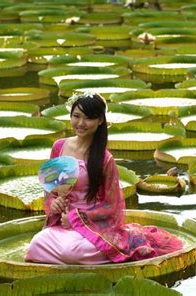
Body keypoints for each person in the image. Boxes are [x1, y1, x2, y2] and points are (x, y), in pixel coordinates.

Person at [25, 92, 183, 264]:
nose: (80, 123)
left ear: (100, 120)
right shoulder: (59, 147)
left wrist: (76, 218)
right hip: (62, 225)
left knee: (73, 252)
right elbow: (51, 190)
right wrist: (54, 204)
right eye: (76, 116)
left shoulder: (104, 159)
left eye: (88, 118)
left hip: (93, 226)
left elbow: (111, 206)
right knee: (36, 244)